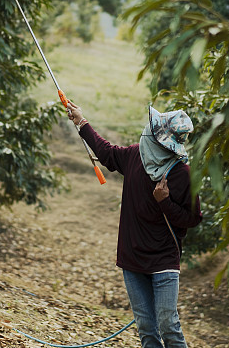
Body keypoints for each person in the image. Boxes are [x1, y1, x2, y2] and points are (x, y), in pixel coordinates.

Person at [66, 101, 202, 348]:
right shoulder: (134, 156)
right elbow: (106, 151)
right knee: (147, 329)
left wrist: (165, 203)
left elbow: (192, 219)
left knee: (168, 325)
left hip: (163, 260)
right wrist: (81, 122)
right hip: (132, 259)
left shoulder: (183, 175)